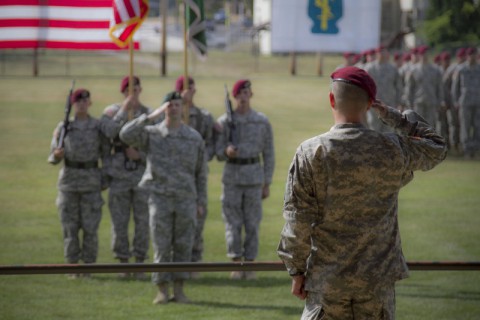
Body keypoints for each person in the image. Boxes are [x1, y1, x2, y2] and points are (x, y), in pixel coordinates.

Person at [277, 66, 447, 320]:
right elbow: (437, 147)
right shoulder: (392, 148)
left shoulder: (311, 152)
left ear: (332, 100)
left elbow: (297, 220)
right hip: (376, 284)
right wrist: (392, 115)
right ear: (370, 104)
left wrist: (296, 271)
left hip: (328, 281)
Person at [120, 91, 207, 304]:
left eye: (177, 105)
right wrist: (149, 117)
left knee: (183, 246)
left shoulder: (193, 137)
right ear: (163, 109)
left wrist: (201, 201)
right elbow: (125, 135)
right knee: (161, 245)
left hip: (186, 198)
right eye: (169, 105)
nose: (174, 108)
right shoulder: (151, 134)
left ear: (182, 108)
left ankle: (179, 290)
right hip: (160, 198)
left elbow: (201, 173)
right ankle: (162, 290)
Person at [215, 79, 275, 280]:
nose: (243, 96)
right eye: (240, 93)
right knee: (232, 223)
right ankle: (235, 264)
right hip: (232, 177)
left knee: (252, 224)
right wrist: (226, 151)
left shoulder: (261, 121)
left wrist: (267, 182)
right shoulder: (224, 122)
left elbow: (269, 153)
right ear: (234, 97)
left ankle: (249, 265)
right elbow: (217, 150)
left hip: (253, 177)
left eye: (246, 92)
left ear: (251, 95)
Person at [48, 88, 110, 279]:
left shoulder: (98, 126)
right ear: (73, 105)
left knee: (91, 228)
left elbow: (106, 154)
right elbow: (52, 156)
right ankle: (72, 267)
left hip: (91, 181)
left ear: (90, 103)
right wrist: (57, 155)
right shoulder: (64, 126)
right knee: (70, 228)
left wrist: (105, 179)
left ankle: (89, 267)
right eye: (78, 102)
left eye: (85, 101)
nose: (82, 104)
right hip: (69, 183)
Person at [101, 76, 151, 279]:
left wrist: (140, 156)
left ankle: (139, 262)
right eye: (129, 89)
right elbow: (109, 132)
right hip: (119, 176)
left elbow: (155, 144)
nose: (133, 91)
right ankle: (123, 262)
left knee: (142, 221)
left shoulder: (147, 114)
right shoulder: (111, 112)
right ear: (123, 92)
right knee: (119, 221)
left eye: (136, 87)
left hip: (140, 174)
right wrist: (124, 110)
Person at [174, 76, 218, 278]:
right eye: (184, 89)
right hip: (173, 177)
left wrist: (200, 158)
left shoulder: (202, 117)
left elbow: (211, 142)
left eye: (191, 88)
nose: (188, 92)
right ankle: (175, 266)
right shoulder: (172, 114)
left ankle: (195, 262)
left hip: (196, 176)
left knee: (197, 219)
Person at [404, 45, 445, 128]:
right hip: (418, 102)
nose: (424, 56)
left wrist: (440, 101)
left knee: (431, 125)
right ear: (419, 56)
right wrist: (409, 102)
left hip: (432, 101)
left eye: (426, 54)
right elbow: (409, 88)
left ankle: (430, 141)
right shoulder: (413, 70)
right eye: (422, 54)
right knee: (418, 126)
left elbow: (439, 87)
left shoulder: (435, 70)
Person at [365, 45, 403, 131]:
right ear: (376, 54)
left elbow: (398, 87)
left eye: (384, 51)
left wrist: (399, 102)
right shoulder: (369, 68)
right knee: (374, 129)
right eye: (380, 52)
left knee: (389, 130)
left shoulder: (393, 69)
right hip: (374, 104)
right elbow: (365, 86)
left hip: (389, 104)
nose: (382, 54)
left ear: (387, 53)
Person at [451, 47, 480, 159]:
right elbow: (455, 87)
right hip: (465, 102)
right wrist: (456, 102)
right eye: (471, 54)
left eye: (474, 54)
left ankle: (476, 149)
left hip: (478, 102)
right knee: (465, 127)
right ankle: (467, 150)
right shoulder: (461, 69)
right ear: (468, 56)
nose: (473, 57)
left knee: (477, 126)